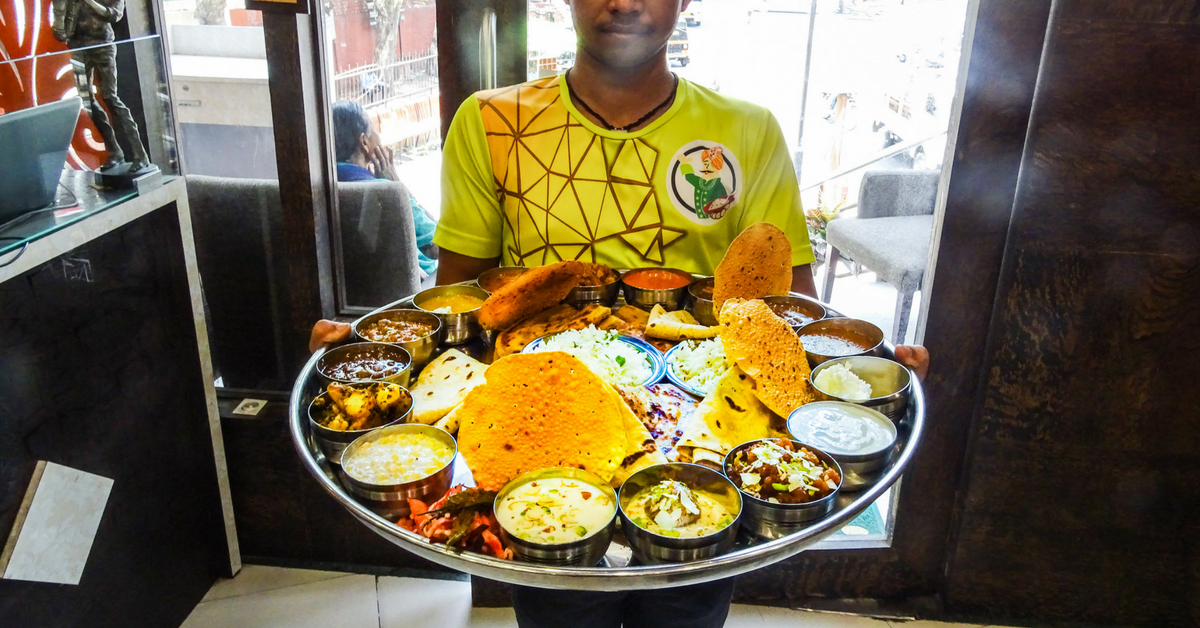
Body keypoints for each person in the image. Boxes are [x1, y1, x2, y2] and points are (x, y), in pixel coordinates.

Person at [312, 0, 929, 624]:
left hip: (700, 451)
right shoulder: (491, 122)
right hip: (543, 447)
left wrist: (860, 376)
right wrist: (367, 371)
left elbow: (785, 312)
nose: (626, 2)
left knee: (685, 613)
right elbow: (465, 310)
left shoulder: (747, 130)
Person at [331, 100, 438, 278]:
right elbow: (439, 247)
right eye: (375, 131)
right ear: (364, 142)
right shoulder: (387, 193)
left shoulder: (321, 185)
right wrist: (397, 184)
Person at [51, 0, 150, 172]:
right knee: (87, 100)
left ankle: (139, 154)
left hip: (102, 45)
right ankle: (114, 152)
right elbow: (60, 31)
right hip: (79, 49)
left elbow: (113, 14)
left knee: (110, 97)